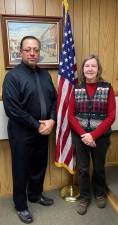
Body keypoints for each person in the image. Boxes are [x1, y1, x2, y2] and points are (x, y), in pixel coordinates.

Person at [2, 36, 57, 223]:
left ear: (39, 52)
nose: (32, 53)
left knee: (39, 166)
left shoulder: (45, 76)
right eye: (28, 49)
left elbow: (54, 101)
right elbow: (12, 109)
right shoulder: (12, 77)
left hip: (43, 131)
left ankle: (35, 195)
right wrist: (37, 124)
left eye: (36, 49)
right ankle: (21, 205)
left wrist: (52, 120)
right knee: (21, 169)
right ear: (21, 52)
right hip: (22, 133)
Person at [68, 54, 116, 215]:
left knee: (99, 168)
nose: (90, 69)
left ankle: (100, 193)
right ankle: (85, 197)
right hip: (80, 136)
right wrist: (84, 135)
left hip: (100, 137)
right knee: (82, 169)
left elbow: (111, 116)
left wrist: (93, 135)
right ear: (82, 69)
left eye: (93, 66)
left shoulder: (108, 88)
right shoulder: (76, 88)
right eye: (87, 66)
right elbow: (71, 115)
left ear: (98, 69)